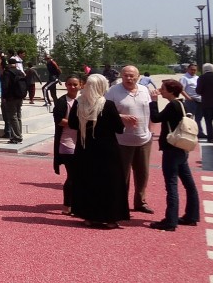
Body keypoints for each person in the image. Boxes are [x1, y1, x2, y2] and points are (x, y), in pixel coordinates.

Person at [68, 74, 128, 228]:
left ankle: (88, 216)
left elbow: (73, 124)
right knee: (110, 183)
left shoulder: (79, 103)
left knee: (87, 181)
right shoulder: (107, 105)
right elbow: (119, 129)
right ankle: (110, 218)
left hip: (85, 147)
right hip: (107, 150)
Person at [147, 79, 200, 231]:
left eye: (163, 88)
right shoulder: (182, 104)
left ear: (170, 91)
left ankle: (170, 221)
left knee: (171, 185)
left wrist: (154, 101)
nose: (161, 90)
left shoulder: (172, 105)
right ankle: (191, 215)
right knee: (189, 184)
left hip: (171, 149)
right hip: (182, 148)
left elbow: (156, 118)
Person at [106, 65, 154, 214]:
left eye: (132, 75)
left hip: (144, 139)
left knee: (143, 173)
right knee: (122, 175)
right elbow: (105, 112)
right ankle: (121, 204)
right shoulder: (113, 91)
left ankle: (140, 201)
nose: (129, 78)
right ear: (121, 76)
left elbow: (150, 111)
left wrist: (150, 130)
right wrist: (122, 117)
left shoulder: (144, 90)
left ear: (138, 76)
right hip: (122, 140)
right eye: (126, 75)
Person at [53, 75, 81, 215]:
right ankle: (67, 205)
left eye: (75, 84)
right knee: (73, 175)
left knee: (79, 175)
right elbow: (58, 120)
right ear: (66, 85)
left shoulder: (82, 100)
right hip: (66, 142)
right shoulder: (62, 101)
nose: (72, 87)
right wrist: (77, 124)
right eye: (70, 84)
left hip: (80, 142)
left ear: (80, 85)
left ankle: (77, 203)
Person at [179, 63, 202, 136]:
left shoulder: (197, 78)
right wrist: (188, 97)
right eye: (191, 69)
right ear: (188, 69)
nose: (193, 71)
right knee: (189, 118)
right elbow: (181, 89)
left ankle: (199, 132)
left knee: (199, 118)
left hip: (199, 100)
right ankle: (188, 133)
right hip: (191, 101)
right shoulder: (184, 78)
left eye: (195, 70)